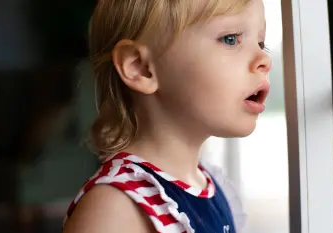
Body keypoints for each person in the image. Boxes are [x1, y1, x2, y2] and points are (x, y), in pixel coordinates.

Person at [62, 0, 272, 232]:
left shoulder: (214, 187)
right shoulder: (116, 208)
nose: (264, 60)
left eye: (261, 43)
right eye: (230, 39)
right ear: (141, 67)